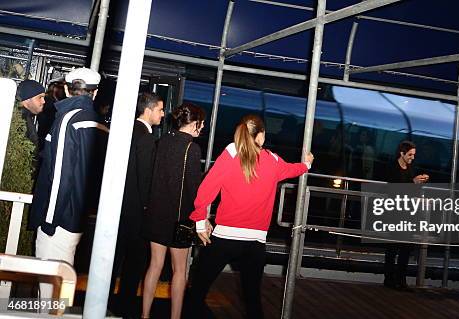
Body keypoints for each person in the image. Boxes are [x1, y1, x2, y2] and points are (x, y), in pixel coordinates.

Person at [186, 114, 314, 319]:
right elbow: (291, 170)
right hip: (255, 243)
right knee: (252, 299)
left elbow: (206, 189)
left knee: (197, 293)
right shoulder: (272, 160)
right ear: (261, 136)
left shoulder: (231, 153)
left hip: (225, 238)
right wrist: (306, 165)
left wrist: (200, 224)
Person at [28, 67, 107, 300]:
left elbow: (61, 174)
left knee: (49, 294)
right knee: (60, 292)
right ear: (95, 93)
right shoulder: (98, 122)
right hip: (78, 215)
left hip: (59, 217)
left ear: (65, 88)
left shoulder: (68, 119)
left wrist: (50, 221)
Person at [140, 103, 205, 319]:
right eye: (202, 123)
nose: (202, 127)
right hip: (181, 219)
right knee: (179, 271)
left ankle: (145, 314)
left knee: (154, 265)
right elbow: (195, 189)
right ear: (194, 124)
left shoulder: (162, 141)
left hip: (156, 214)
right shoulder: (192, 149)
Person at [111, 92, 164, 318]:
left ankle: (104, 303)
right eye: (160, 109)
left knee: (112, 260)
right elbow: (145, 178)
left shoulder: (126, 130)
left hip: (117, 206)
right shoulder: (145, 137)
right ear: (148, 110)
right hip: (134, 212)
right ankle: (125, 308)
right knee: (134, 264)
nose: (163, 113)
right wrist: (147, 207)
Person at [383, 140, 428, 290]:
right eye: (410, 155)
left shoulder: (409, 168)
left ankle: (401, 280)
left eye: (413, 155)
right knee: (392, 249)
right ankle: (389, 279)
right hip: (394, 214)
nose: (412, 158)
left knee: (406, 248)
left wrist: (417, 184)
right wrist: (412, 182)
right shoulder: (393, 168)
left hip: (407, 214)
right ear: (402, 153)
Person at [15, 80, 46, 168]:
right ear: (27, 99)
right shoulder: (19, 121)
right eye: (40, 97)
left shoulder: (25, 117)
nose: (43, 101)